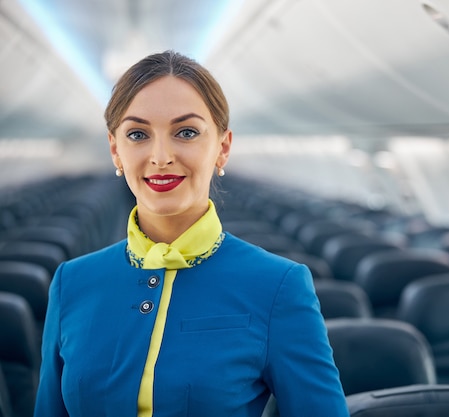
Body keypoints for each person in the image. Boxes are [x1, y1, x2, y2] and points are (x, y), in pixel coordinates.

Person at [35, 50, 350, 416]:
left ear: (223, 148)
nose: (161, 156)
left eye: (186, 132)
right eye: (138, 134)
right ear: (115, 151)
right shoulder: (71, 283)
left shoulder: (278, 286)